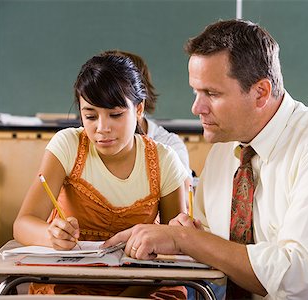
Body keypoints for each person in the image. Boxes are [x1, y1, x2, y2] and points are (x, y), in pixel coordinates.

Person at [104, 19, 308, 299]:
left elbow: (298, 282)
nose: (196, 107)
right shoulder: (225, 150)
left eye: (211, 93)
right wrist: (180, 235)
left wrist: (188, 241)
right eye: (196, 91)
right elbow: (211, 242)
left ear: (261, 93)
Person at [13, 54, 188, 298]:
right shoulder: (68, 145)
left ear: (138, 109)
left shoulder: (164, 159)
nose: (102, 128)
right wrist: (50, 235)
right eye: (90, 116)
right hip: (71, 282)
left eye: (115, 115)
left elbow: (176, 246)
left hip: (144, 284)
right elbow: (22, 223)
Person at [100, 49, 192, 178]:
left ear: (139, 106)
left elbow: (184, 195)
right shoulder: (86, 143)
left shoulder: (169, 147)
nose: (103, 127)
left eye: (115, 113)